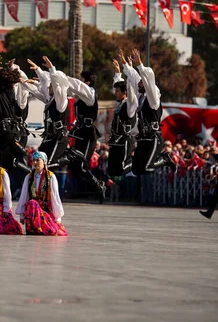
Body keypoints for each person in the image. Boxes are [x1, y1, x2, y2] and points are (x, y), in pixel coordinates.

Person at [47, 60, 107, 202]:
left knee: (77, 159)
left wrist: (54, 70)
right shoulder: (81, 95)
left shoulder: (89, 93)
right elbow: (67, 87)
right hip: (80, 132)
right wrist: (48, 77)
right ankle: (99, 186)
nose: (80, 81)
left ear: (87, 82)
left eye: (82, 79)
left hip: (88, 134)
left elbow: (74, 84)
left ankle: (99, 185)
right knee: (77, 168)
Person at [123, 49, 175, 174]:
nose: (139, 84)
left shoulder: (153, 100)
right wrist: (128, 66)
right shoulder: (141, 98)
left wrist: (140, 64)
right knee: (135, 170)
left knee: (146, 168)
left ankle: (165, 159)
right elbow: (135, 79)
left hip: (153, 138)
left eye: (142, 83)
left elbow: (148, 82)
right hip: (143, 138)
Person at [16, 151, 68, 236]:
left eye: (38, 160)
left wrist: (58, 218)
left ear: (44, 161)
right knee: (32, 203)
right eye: (33, 160)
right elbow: (24, 196)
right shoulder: (29, 177)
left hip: (45, 210)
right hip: (32, 210)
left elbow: (55, 197)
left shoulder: (51, 177)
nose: (35, 163)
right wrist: (21, 215)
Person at [107, 50, 137, 177]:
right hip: (116, 139)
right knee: (112, 171)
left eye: (118, 91)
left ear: (125, 93)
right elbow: (119, 84)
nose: (115, 93)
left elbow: (130, 87)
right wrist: (117, 72)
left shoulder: (129, 104)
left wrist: (128, 66)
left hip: (125, 140)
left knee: (122, 168)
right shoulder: (120, 103)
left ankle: (138, 164)